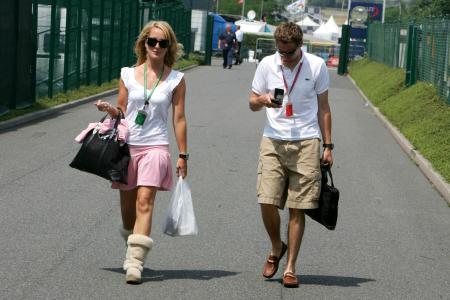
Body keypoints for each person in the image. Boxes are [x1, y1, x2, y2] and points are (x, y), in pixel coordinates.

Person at [95, 20, 188, 284]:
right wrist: (110, 110)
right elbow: (123, 111)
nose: (157, 46)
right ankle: (132, 244)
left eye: (163, 42)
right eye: (152, 41)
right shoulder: (127, 74)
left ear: (169, 46)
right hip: (127, 145)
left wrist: (183, 154)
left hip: (156, 146)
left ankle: (135, 262)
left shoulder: (177, 80)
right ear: (144, 44)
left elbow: (179, 118)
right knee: (128, 207)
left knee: (145, 201)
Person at [249, 22, 333, 288]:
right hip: (273, 139)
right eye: (280, 52)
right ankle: (276, 246)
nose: (284, 57)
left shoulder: (317, 66)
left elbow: (324, 108)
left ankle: (290, 267)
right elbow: (251, 102)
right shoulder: (266, 64)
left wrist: (328, 146)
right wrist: (262, 100)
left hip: (307, 142)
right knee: (266, 199)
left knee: (298, 207)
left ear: (300, 46)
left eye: (289, 53)